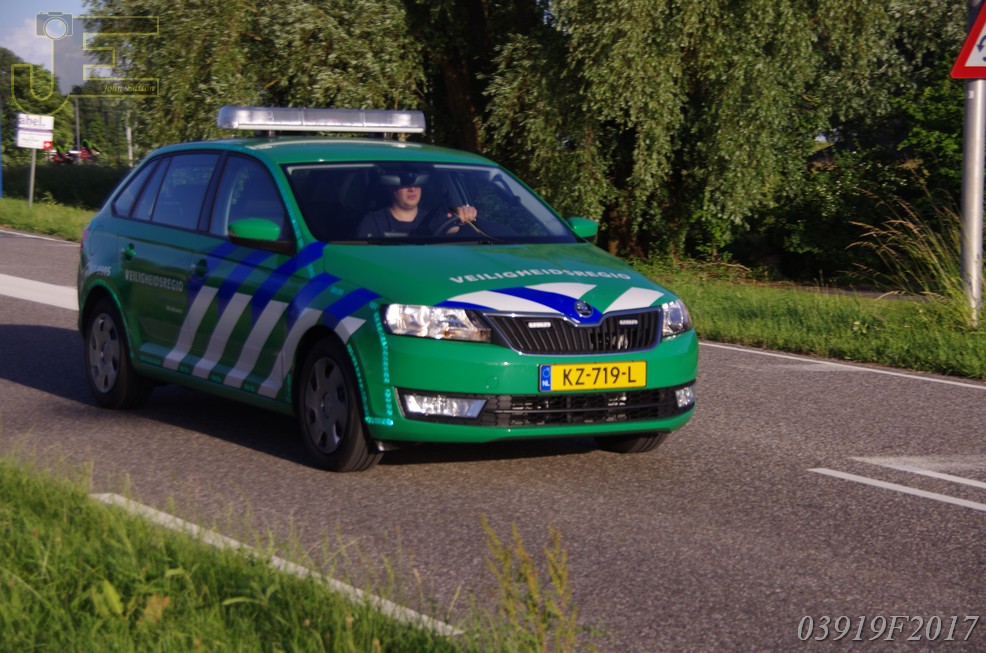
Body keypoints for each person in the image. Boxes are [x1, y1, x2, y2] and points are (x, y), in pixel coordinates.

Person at [355, 172, 477, 239]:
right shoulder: (372, 222)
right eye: (405, 184)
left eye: (417, 183)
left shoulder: (436, 220)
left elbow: (454, 234)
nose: (412, 189)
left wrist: (465, 218)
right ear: (391, 187)